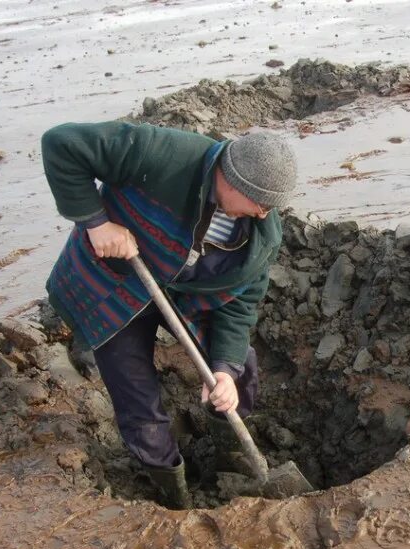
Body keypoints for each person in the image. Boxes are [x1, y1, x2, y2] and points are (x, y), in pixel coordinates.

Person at [41, 121, 297, 509]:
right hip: (114, 280)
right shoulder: (162, 153)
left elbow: (241, 304)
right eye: (260, 203)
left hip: (185, 291)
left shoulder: (261, 235)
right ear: (232, 181)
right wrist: (96, 222)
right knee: (137, 397)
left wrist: (223, 371)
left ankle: (233, 459)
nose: (264, 214)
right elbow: (62, 143)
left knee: (238, 369)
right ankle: (172, 493)